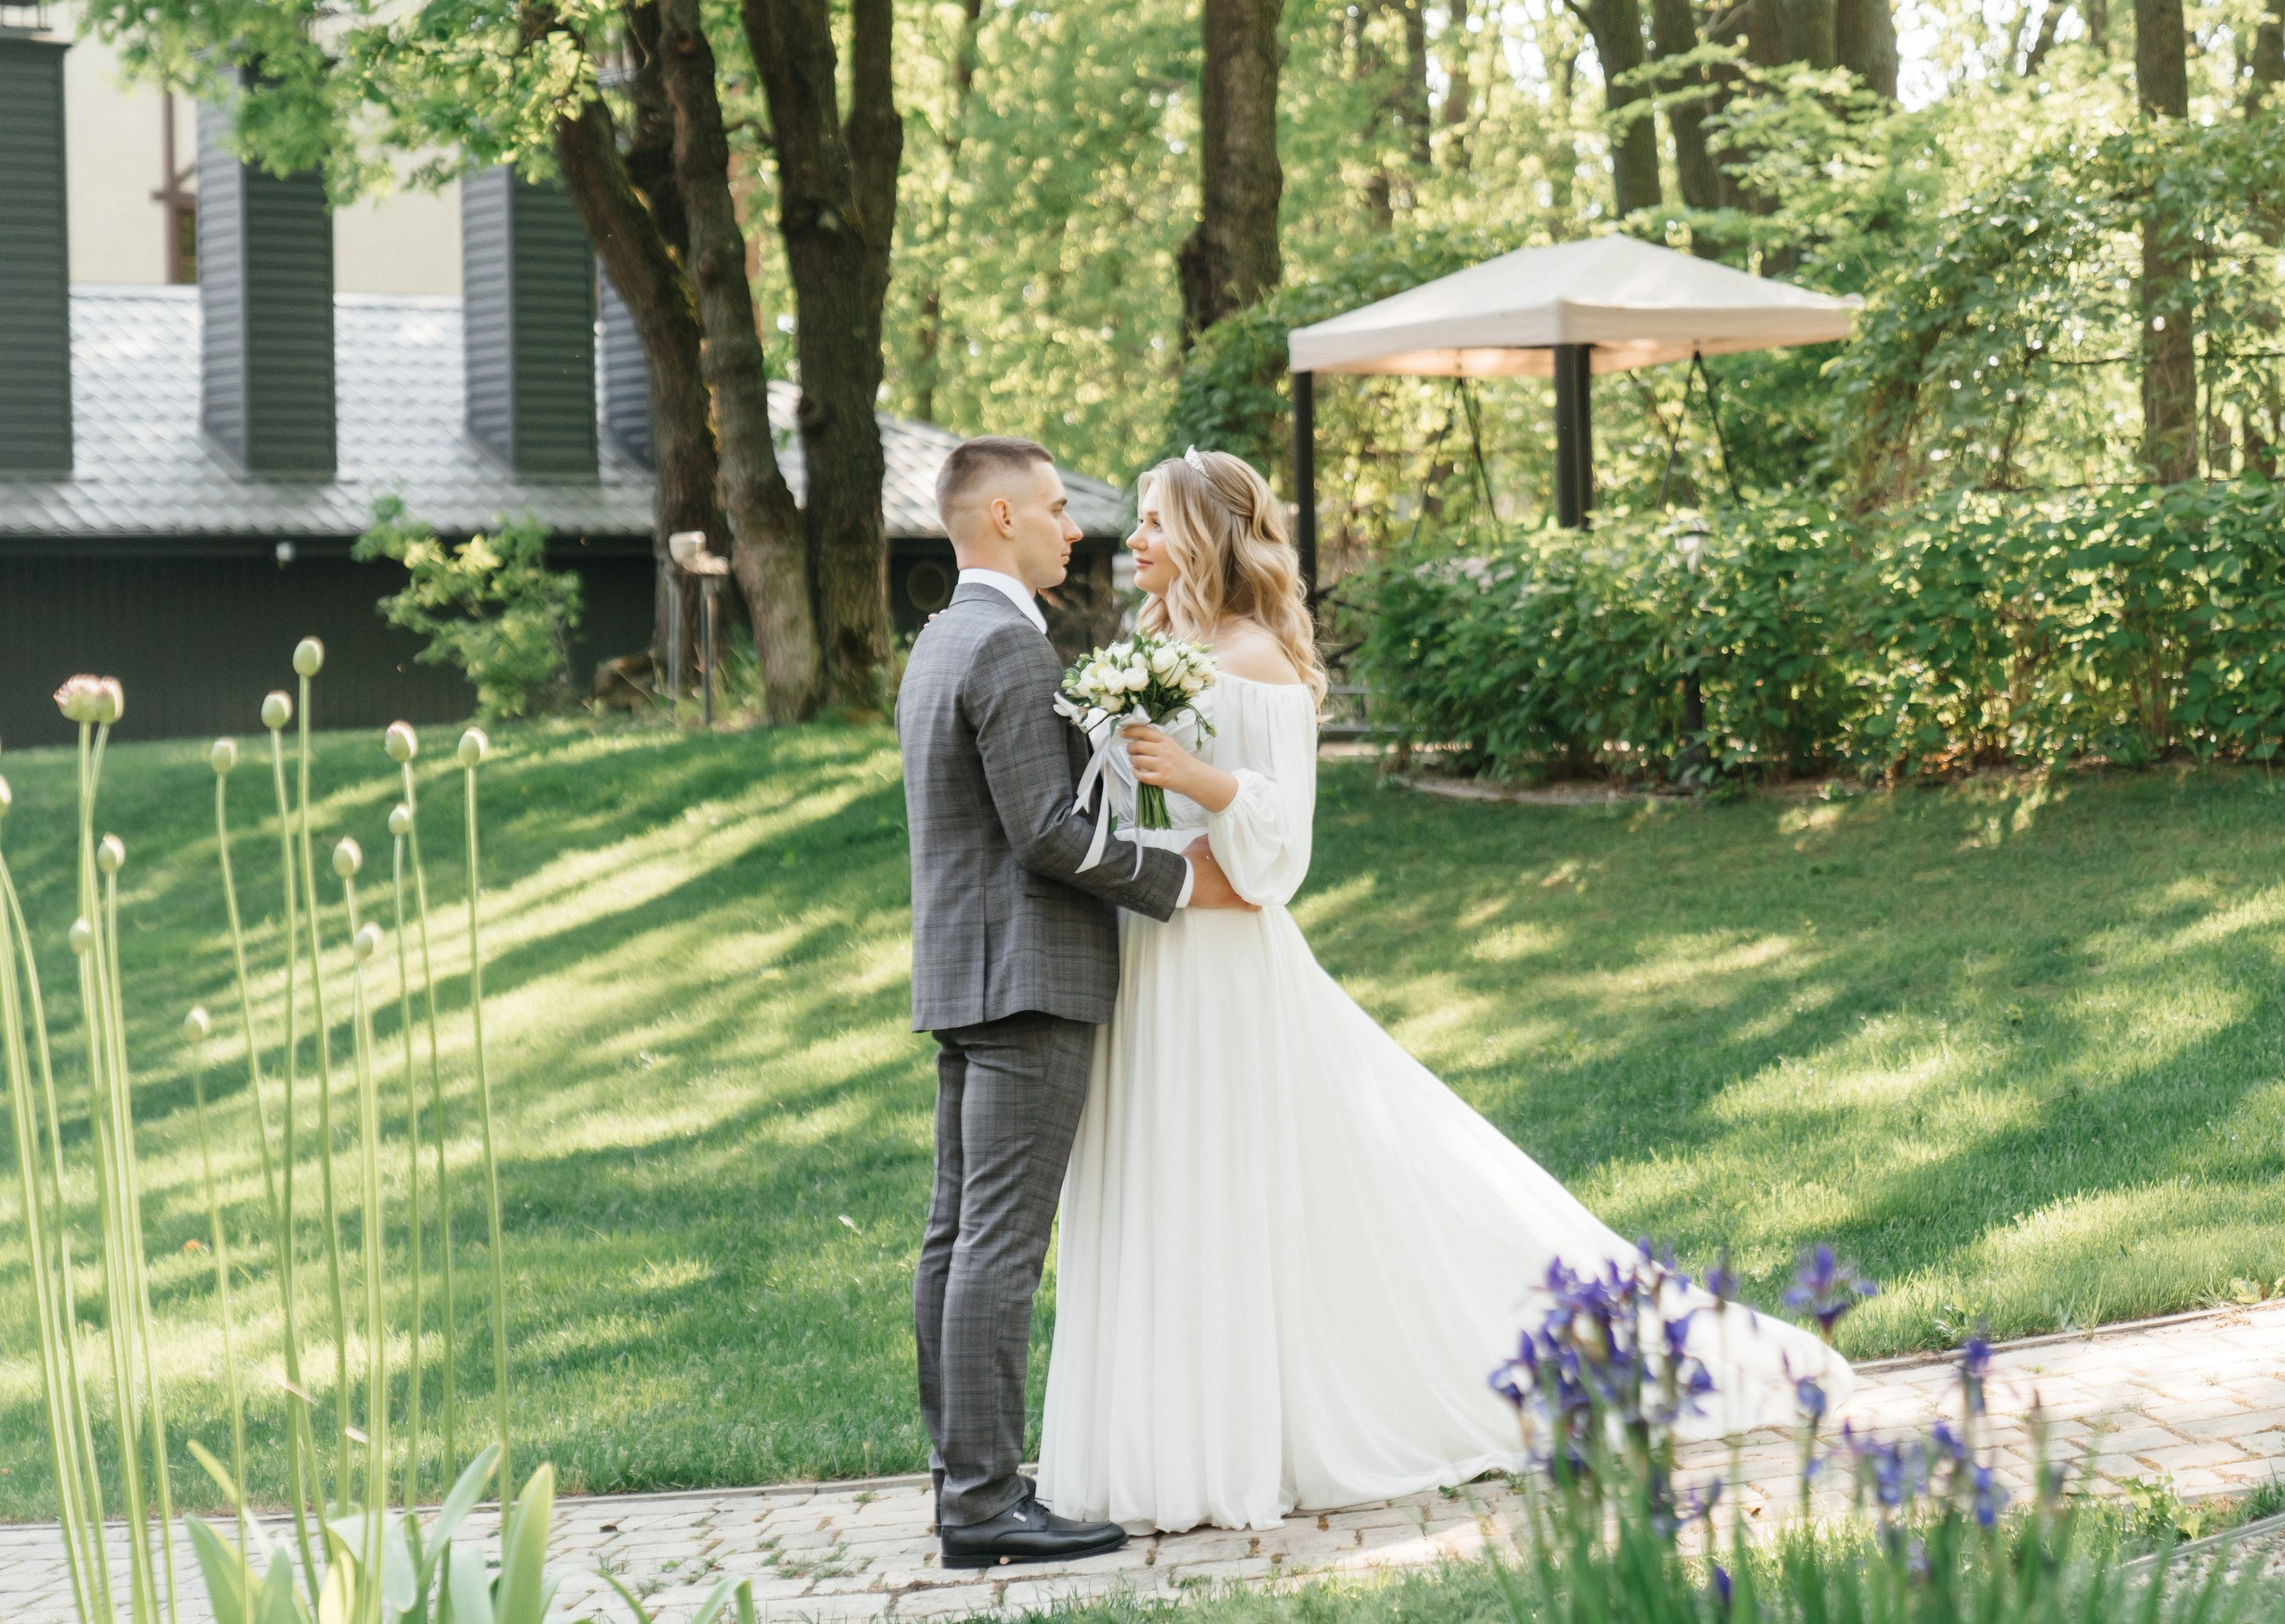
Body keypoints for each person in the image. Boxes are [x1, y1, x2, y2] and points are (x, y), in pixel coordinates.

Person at [1034, 447, 1855, 1535]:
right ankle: (1154, 1447)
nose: (1129, 540)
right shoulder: (1143, 649)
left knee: (1253, 1186)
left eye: (1150, 521)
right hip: (1146, 960)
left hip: (1223, 973)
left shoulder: (1257, 664)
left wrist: (1198, 781)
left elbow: (1277, 859)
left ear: (1205, 536)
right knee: (1160, 1181)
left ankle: (1250, 1442)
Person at [896, 436, 1258, 1570]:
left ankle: (966, 1478)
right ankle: (986, 1503)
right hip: (1027, 977)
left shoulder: (941, 637)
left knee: (956, 1237)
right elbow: (1045, 830)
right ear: (1000, 516)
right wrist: (1174, 876)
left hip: (967, 972)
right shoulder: (1006, 646)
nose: (1073, 527)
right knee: (997, 1242)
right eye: (1056, 509)